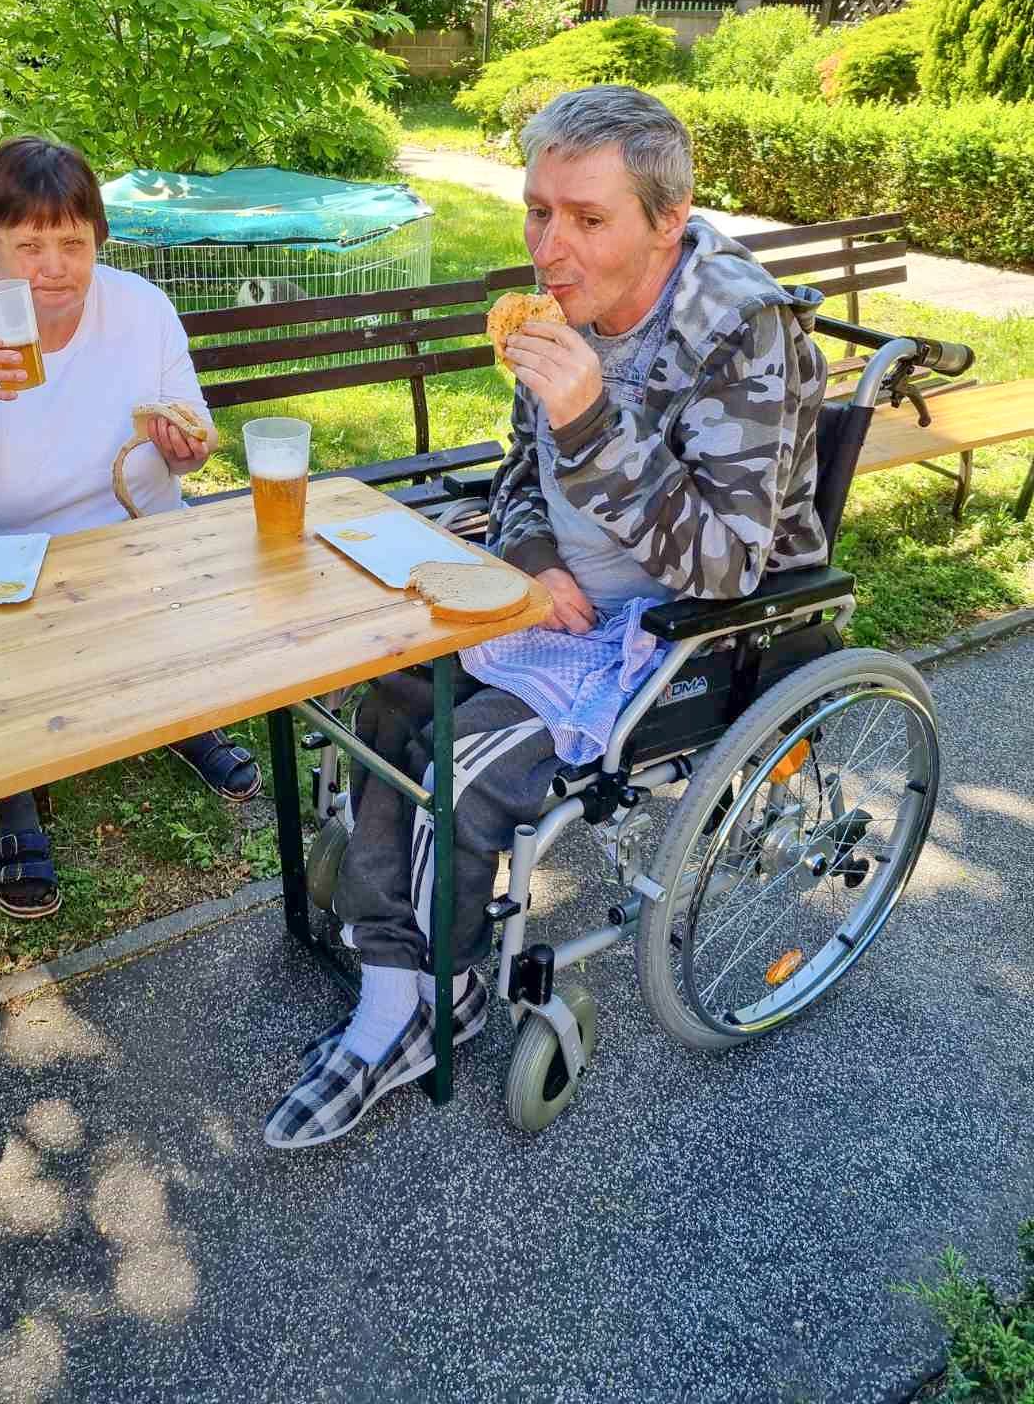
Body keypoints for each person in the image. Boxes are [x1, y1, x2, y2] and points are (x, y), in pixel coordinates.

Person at [264, 85, 829, 1149]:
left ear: (668, 219)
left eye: (587, 218)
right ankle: (401, 975)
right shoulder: (557, 308)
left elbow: (727, 565)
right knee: (390, 692)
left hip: (685, 631)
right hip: (560, 595)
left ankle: (424, 1005)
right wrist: (531, 552)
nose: (548, 247)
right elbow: (521, 472)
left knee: (466, 762)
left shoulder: (741, 331)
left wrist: (591, 421)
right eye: (537, 211)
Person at [0, 136, 262, 921]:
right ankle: (14, 786)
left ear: (99, 241)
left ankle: (178, 715)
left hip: (134, 542)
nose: (54, 268)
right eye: (29, 246)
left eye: (73, 243)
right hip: (0, 558)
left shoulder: (141, 309)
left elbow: (193, 435)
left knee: (181, 587)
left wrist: (186, 446)